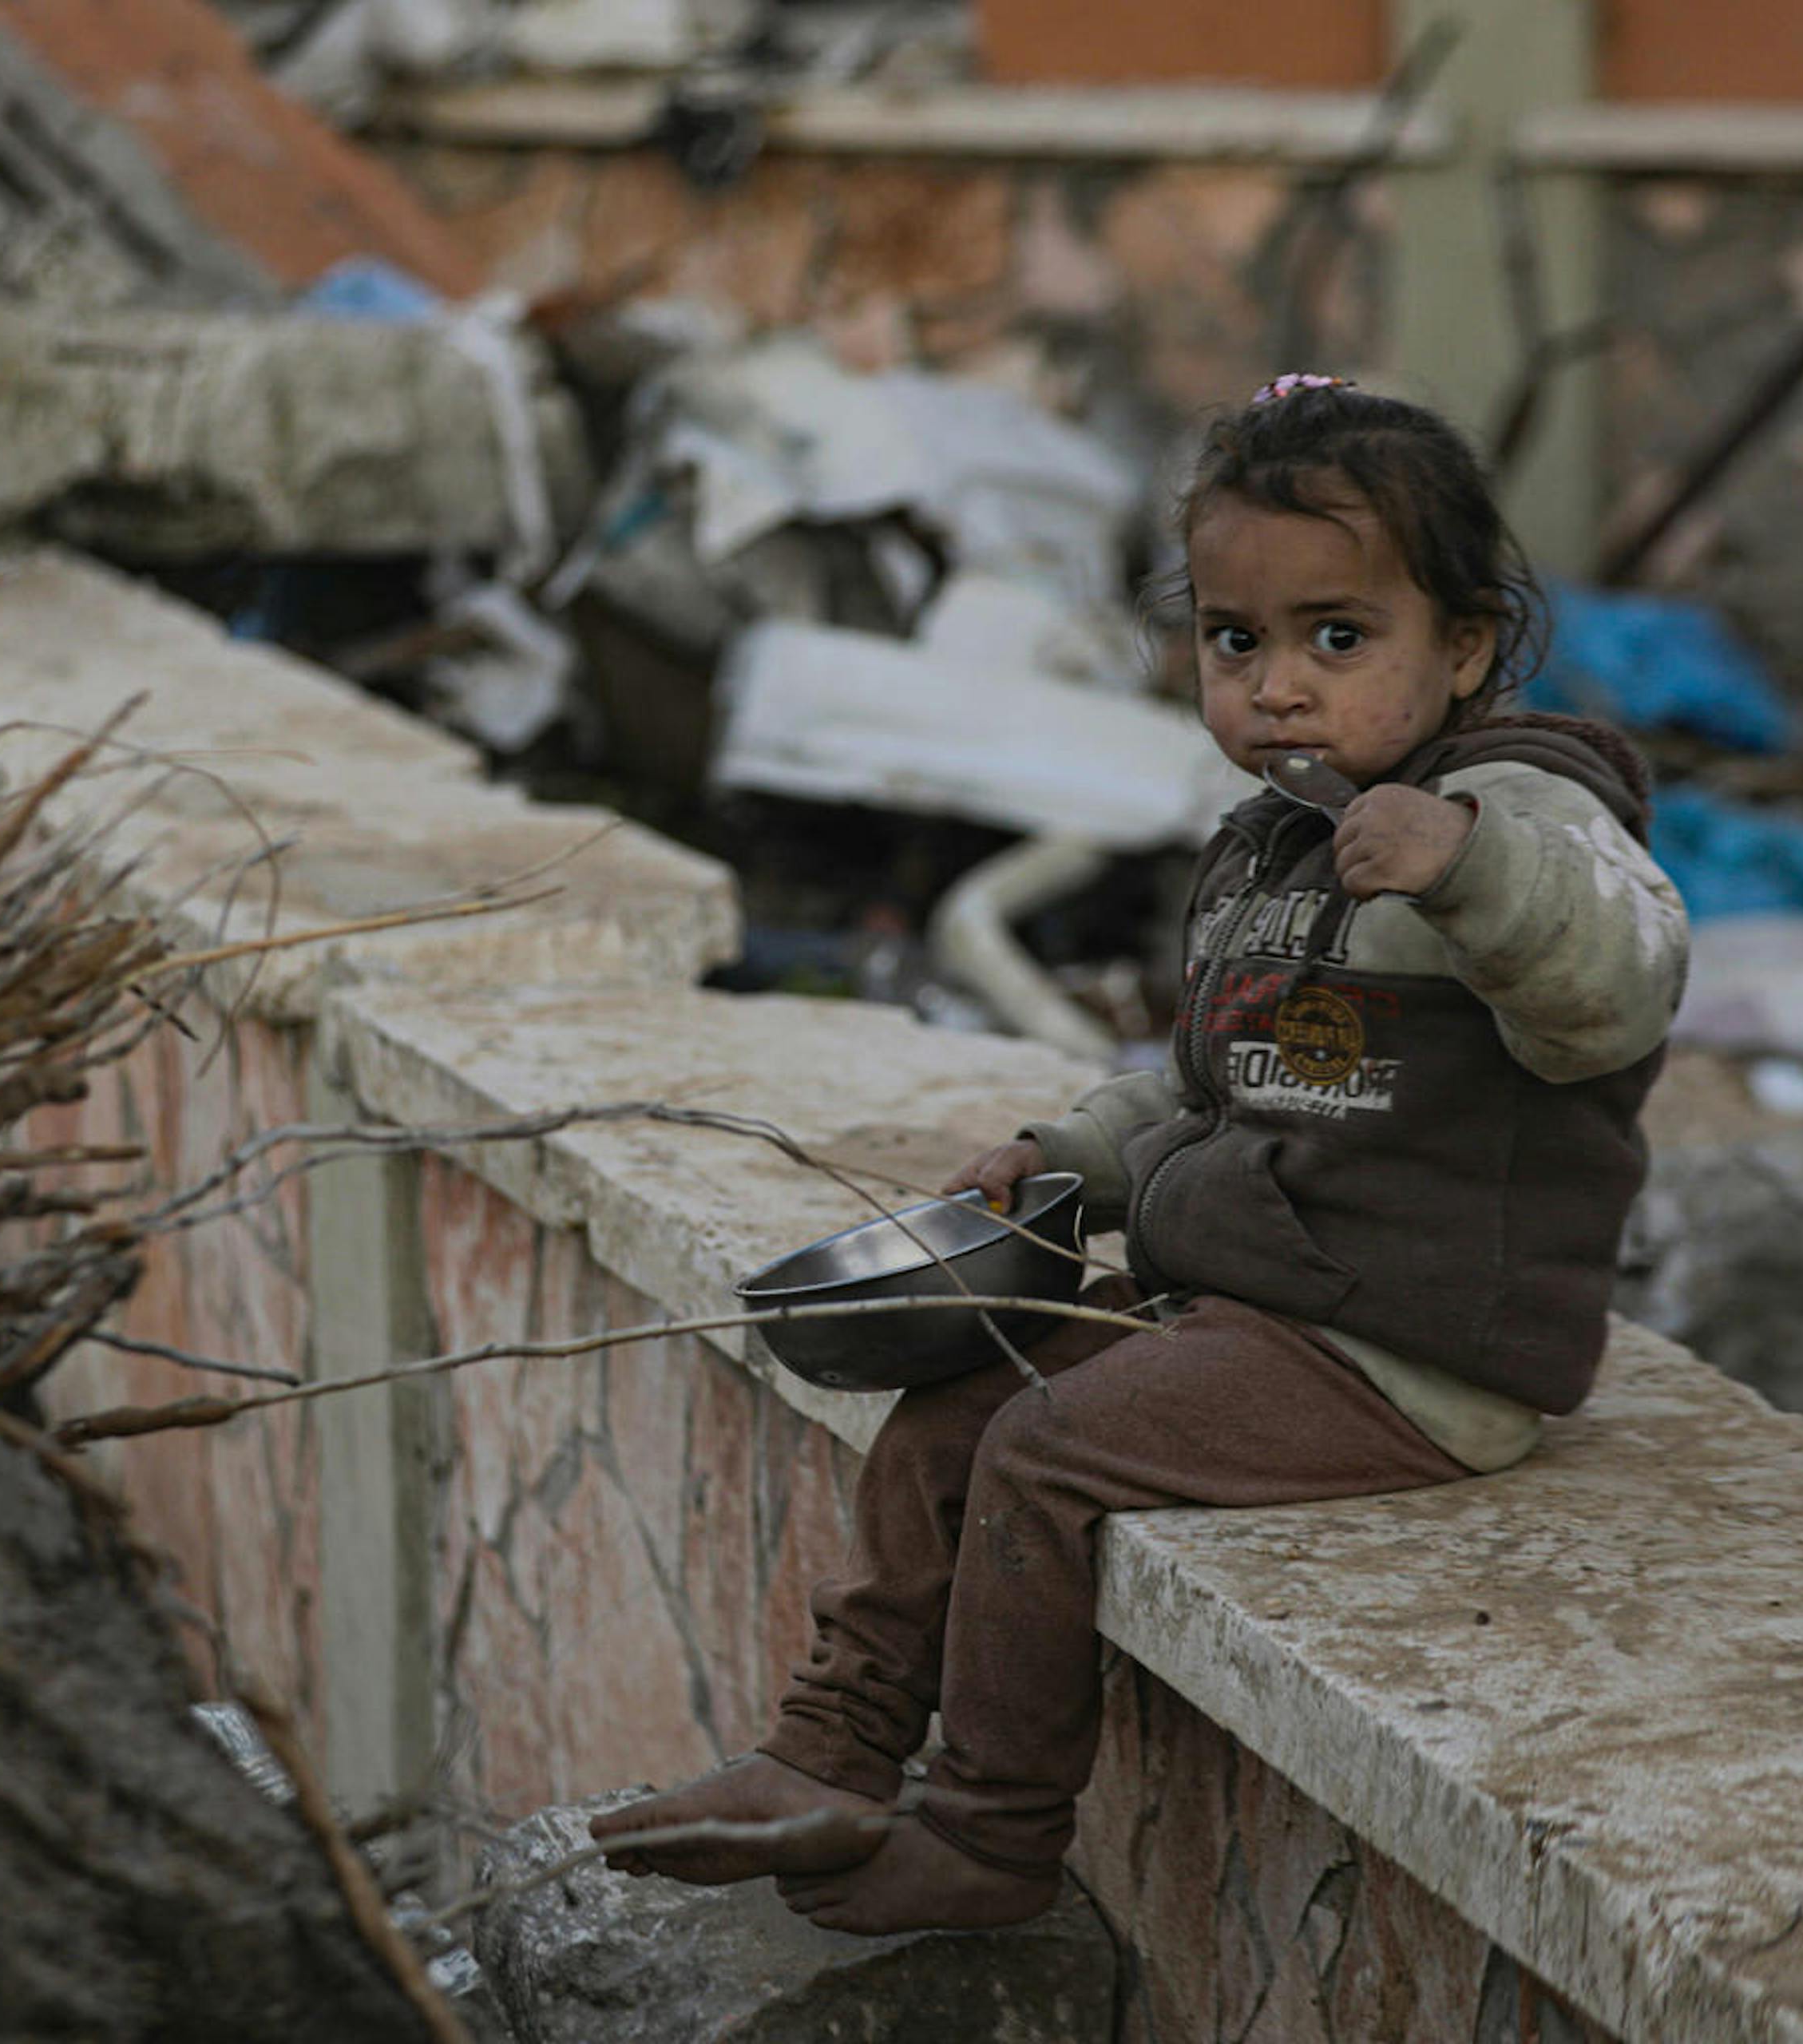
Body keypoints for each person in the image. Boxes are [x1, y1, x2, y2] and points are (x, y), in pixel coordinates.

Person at [589, 374, 1691, 1935]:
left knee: (1046, 1446)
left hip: (1405, 1344)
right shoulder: (1269, 844)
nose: (1282, 685)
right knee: (948, 1410)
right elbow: (1207, 1082)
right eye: (1239, 640)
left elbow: (1621, 983)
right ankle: (827, 1751)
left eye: (1339, 635)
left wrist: (1471, 872)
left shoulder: (1515, 803)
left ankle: (989, 1833)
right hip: (1259, 1307)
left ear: (1461, 645)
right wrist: (1065, 1158)